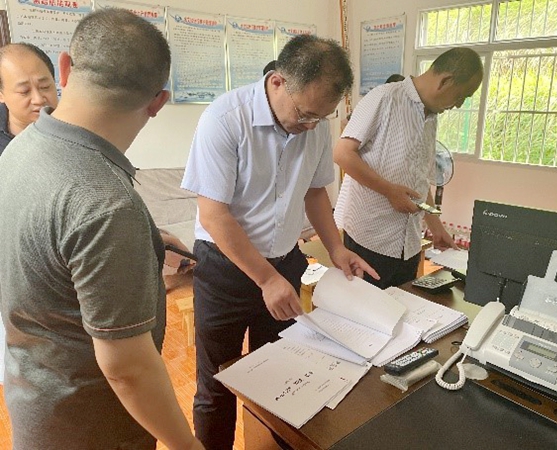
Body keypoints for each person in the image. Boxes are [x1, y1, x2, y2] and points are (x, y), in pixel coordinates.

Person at [0, 9, 203, 450]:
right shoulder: (106, 204)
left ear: (65, 68)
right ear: (158, 102)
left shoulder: (20, 148)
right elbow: (128, 368)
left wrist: (144, 241)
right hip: (94, 427)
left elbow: (48, 243)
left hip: (36, 399)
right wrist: (187, 445)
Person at [181, 34, 378, 450]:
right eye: (305, 114)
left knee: (280, 374)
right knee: (217, 384)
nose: (311, 126)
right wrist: (267, 279)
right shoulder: (225, 119)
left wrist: (337, 248)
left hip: (285, 264)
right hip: (225, 269)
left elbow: (314, 192)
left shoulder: (315, 124)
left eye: (320, 118)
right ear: (276, 82)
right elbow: (214, 215)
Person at [334, 47, 483, 289]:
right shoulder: (384, 98)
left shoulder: (431, 117)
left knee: (403, 304)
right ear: (445, 81)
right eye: (461, 96)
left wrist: (436, 226)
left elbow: (420, 179)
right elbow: (342, 154)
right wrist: (389, 191)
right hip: (371, 238)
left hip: (408, 243)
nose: (458, 105)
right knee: (368, 308)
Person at [0, 42, 58, 155]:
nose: (38, 100)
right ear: (1, 95)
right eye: (24, 91)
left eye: (45, 87)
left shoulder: (78, 130)